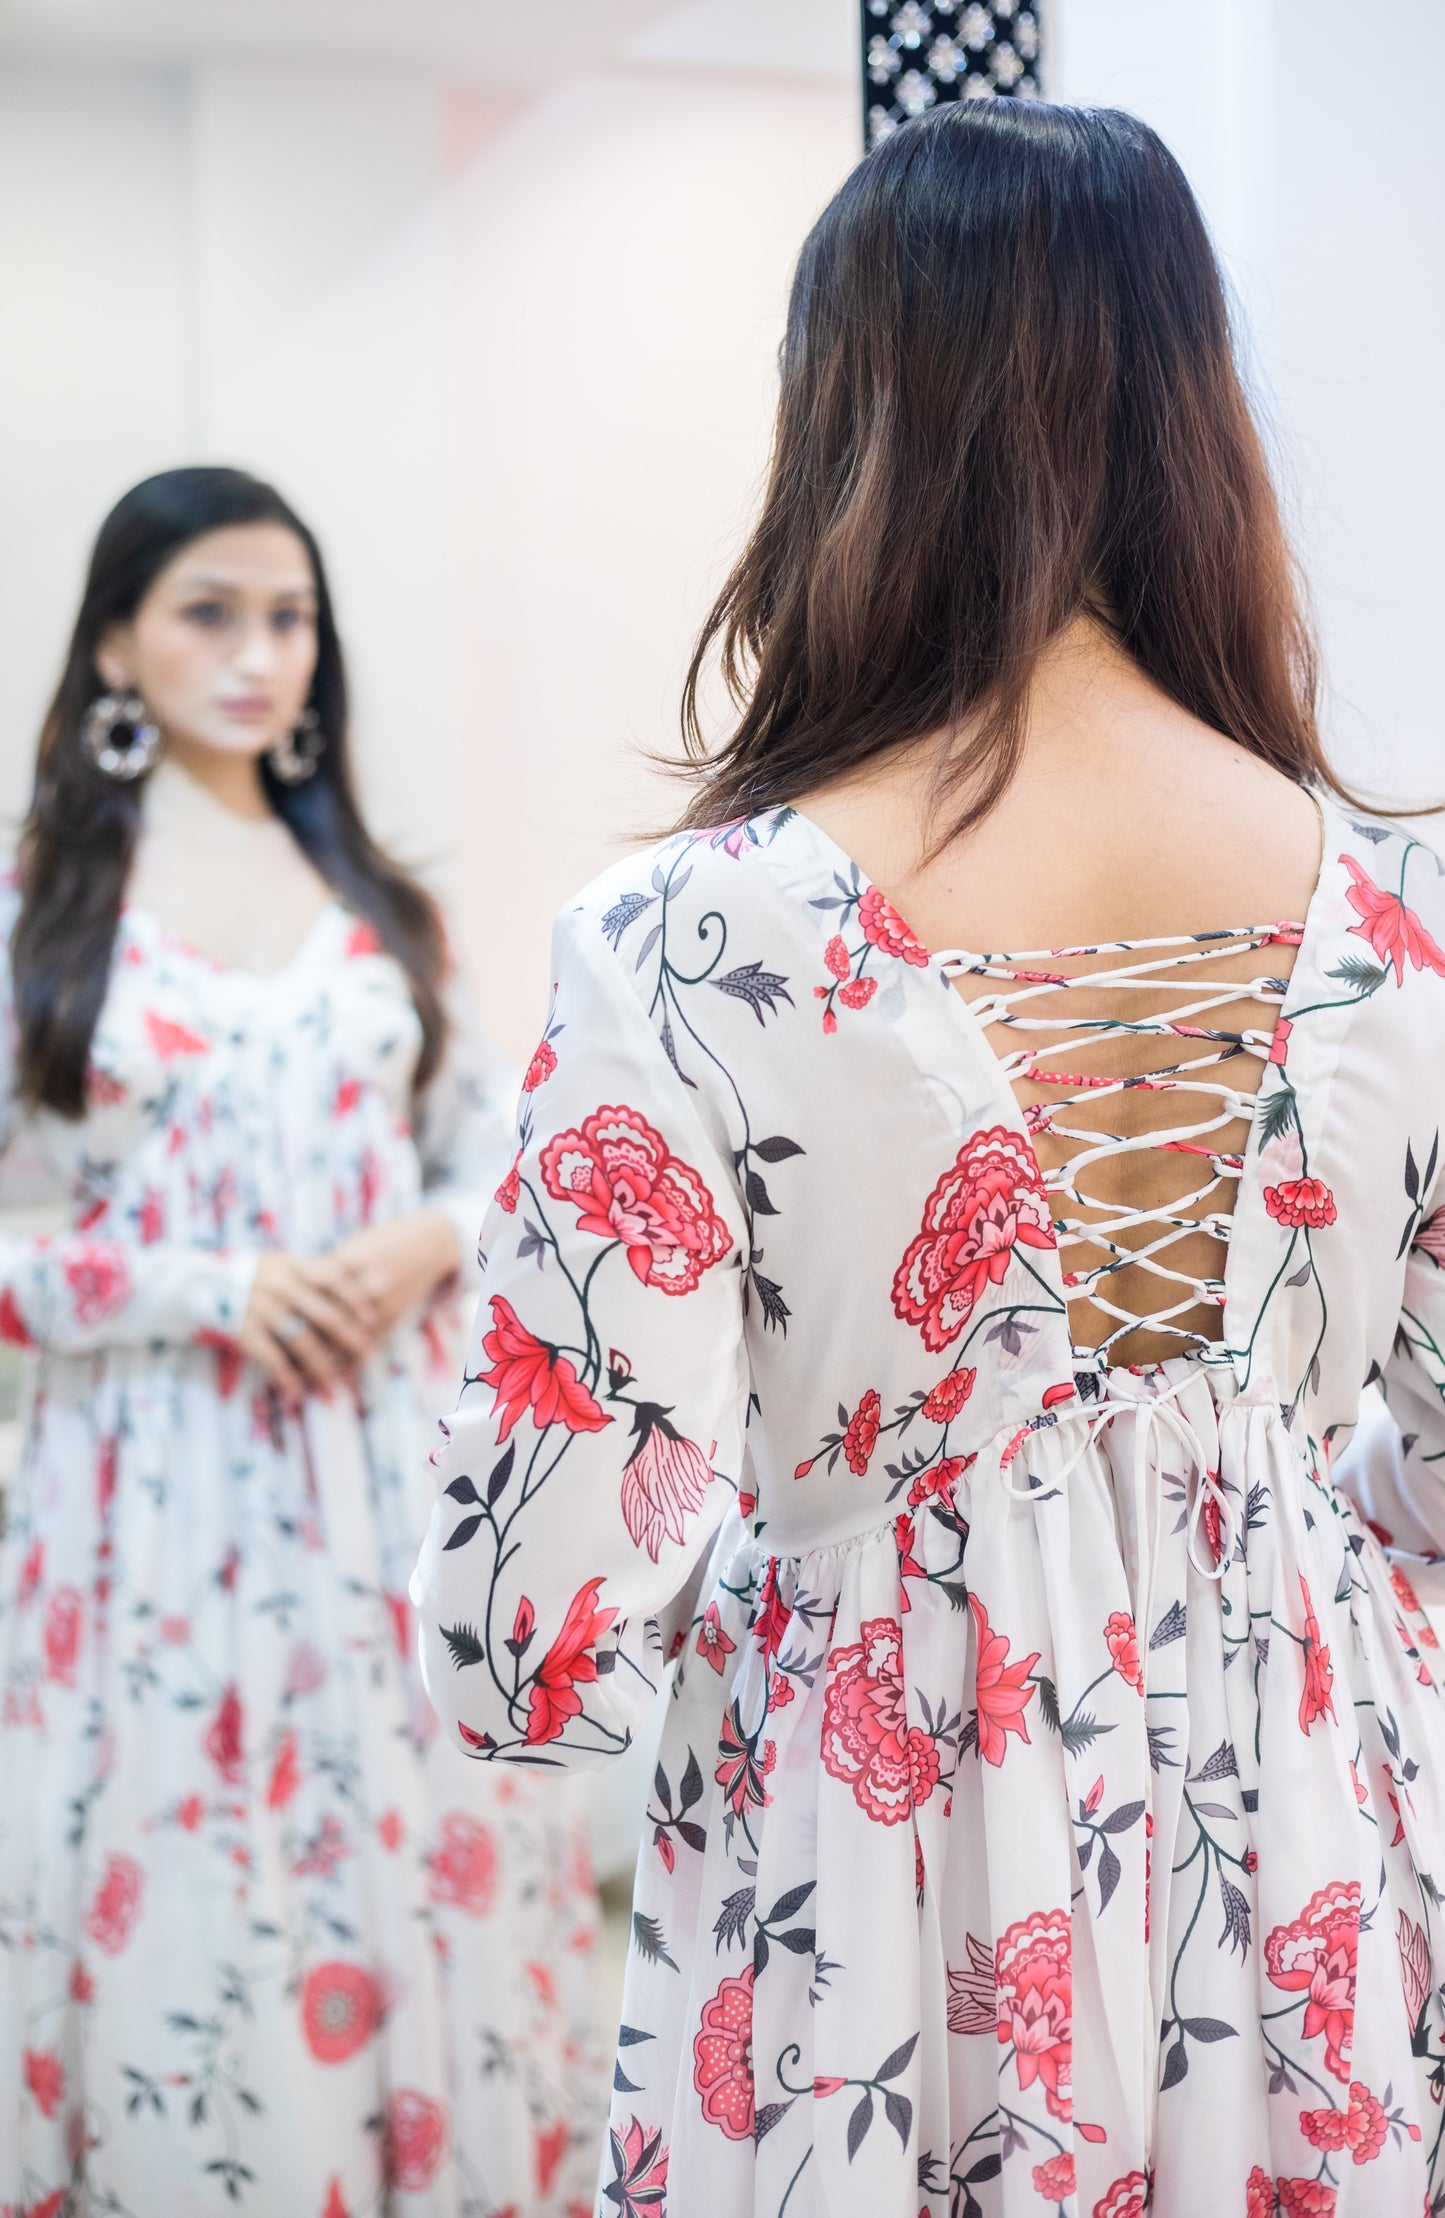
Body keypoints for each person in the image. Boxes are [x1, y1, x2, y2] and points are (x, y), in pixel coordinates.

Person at [411, 101, 1445, 2217]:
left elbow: (544, 1625)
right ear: (1193, 403)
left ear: (846, 417)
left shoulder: (689, 939)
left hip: (879, 1890)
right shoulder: (1398, 907)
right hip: (1309, 1872)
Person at [0, 468, 603, 2216]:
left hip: (382, 1482)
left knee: (404, 1878)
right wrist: (213, 1286)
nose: (262, 653)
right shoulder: (43, 908)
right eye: (211, 611)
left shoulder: (377, 902)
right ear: (116, 639)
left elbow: (505, 1158)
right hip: (145, 1502)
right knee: (186, 1890)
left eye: (291, 617)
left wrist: (425, 1235)